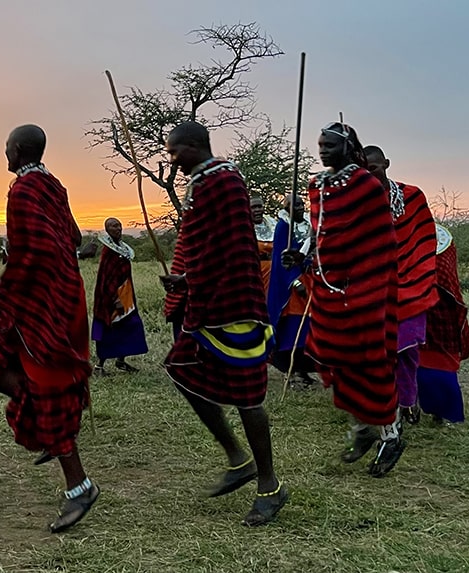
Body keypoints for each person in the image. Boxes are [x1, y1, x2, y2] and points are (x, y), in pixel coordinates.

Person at [0, 124, 99, 534]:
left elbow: (37, 249)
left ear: (19, 150)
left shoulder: (22, 191)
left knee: (44, 381)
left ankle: (79, 486)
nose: (3, 152)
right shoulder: (52, 185)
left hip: (40, 300)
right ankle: (42, 421)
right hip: (65, 293)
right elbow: (72, 236)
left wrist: (9, 293)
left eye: (6, 147)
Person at [159, 121, 287, 526]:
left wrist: (192, 277)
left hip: (236, 303)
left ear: (196, 146)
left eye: (176, 151)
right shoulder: (203, 183)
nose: (173, 160)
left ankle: (270, 486)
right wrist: (186, 278)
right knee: (180, 369)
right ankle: (237, 457)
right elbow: (205, 243)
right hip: (208, 303)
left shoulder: (225, 180)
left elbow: (230, 246)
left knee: (249, 399)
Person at [283, 123, 402, 477]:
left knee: (369, 361)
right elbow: (320, 232)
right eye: (320, 145)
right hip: (328, 287)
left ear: (348, 148)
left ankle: (390, 435)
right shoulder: (317, 185)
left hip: (364, 287)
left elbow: (379, 239)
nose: (322, 151)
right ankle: (363, 428)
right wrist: (300, 253)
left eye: (330, 146)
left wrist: (363, 275)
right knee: (331, 358)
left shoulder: (365, 185)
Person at [364, 145, 439, 425]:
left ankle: (407, 400)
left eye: (372, 169)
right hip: (375, 287)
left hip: (412, 285)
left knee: (406, 347)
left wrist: (418, 274)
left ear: (386, 164)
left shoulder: (412, 197)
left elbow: (425, 239)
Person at [416, 224, 469, 423]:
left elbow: (448, 280)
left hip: (440, 313)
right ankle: (420, 408)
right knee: (416, 365)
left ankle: (442, 412)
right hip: (414, 313)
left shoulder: (442, 244)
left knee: (438, 367)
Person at [267, 194, 317, 386]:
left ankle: (304, 371)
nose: (299, 207)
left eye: (300, 204)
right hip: (291, 286)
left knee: (308, 330)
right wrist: (296, 282)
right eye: (294, 205)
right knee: (293, 328)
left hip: (310, 278)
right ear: (286, 208)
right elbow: (282, 260)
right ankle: (293, 371)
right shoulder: (283, 227)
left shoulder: (306, 226)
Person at [91, 217, 148, 374]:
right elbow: (107, 278)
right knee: (109, 330)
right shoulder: (108, 252)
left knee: (130, 326)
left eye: (119, 225)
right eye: (114, 226)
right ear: (107, 229)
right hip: (111, 299)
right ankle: (99, 366)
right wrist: (115, 300)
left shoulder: (121, 249)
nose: (118, 228)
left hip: (126, 296)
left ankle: (121, 361)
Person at [251, 196, 276, 293]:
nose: (257, 210)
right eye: (253, 207)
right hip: (256, 272)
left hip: (275, 271)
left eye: (259, 207)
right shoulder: (245, 229)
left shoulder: (273, 224)